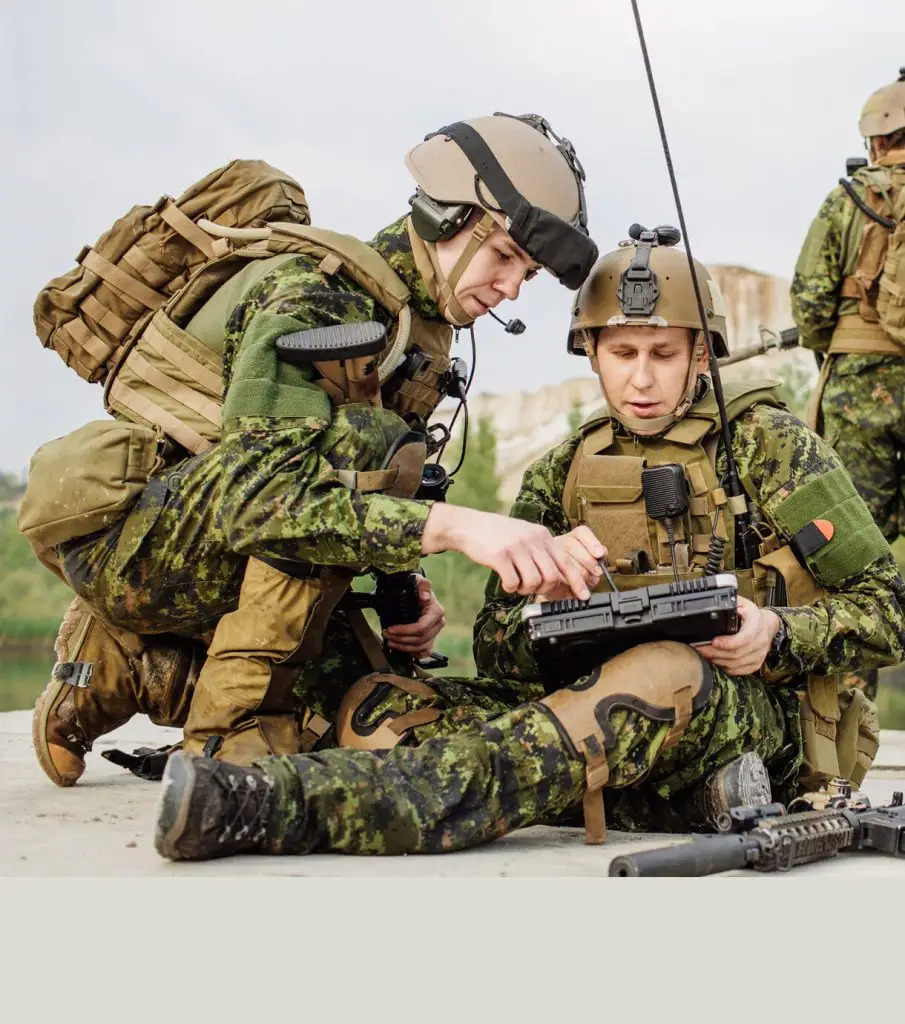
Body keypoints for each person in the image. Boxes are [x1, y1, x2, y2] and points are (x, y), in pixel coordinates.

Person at [154, 226, 905, 861]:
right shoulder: (567, 467)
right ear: (591, 352)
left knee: (662, 671)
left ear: (700, 355)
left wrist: (779, 635)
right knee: (375, 708)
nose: (640, 379)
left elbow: (886, 608)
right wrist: (541, 610)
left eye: (662, 353)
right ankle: (662, 806)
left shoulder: (770, 445)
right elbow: (496, 648)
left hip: (751, 721)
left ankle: (278, 808)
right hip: (581, 704)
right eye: (620, 352)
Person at [27, 111, 599, 786]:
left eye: (525, 274)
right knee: (361, 445)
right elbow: (262, 501)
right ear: (447, 218)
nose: (508, 288)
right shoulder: (318, 297)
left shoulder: (413, 329)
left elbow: (372, 493)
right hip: (131, 545)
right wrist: (460, 528)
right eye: (503, 256)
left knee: (365, 714)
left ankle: (125, 667)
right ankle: (224, 740)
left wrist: (402, 589)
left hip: (222, 549)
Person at [790, 67, 905, 701]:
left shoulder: (852, 198)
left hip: (859, 392)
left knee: (855, 561)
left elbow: (808, 298)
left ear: (877, 139)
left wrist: (832, 352)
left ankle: (845, 728)